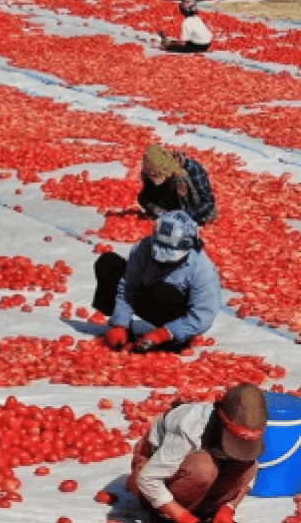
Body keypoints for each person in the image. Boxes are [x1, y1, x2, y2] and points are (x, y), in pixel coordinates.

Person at [125, 384, 266, 523]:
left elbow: (249, 477)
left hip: (196, 484)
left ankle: (206, 511)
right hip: (153, 470)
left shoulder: (252, 422)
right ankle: (165, 513)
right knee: (203, 467)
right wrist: (182, 517)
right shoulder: (190, 427)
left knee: (249, 467)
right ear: (221, 419)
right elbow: (147, 479)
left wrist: (229, 507)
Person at [92, 210, 222, 353]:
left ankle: (175, 339)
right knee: (108, 263)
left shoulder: (203, 270)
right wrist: (120, 324)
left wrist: (163, 334)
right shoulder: (144, 248)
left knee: (163, 290)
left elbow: (203, 316)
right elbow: (129, 286)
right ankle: (122, 333)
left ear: (188, 246)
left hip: (176, 314)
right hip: (149, 298)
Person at [137, 144, 217, 226]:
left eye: (155, 175)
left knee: (179, 178)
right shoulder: (150, 171)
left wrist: (184, 217)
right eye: (151, 175)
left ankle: (181, 216)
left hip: (194, 210)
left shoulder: (191, 168)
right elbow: (144, 198)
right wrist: (159, 212)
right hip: (170, 207)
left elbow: (209, 204)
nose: (153, 179)